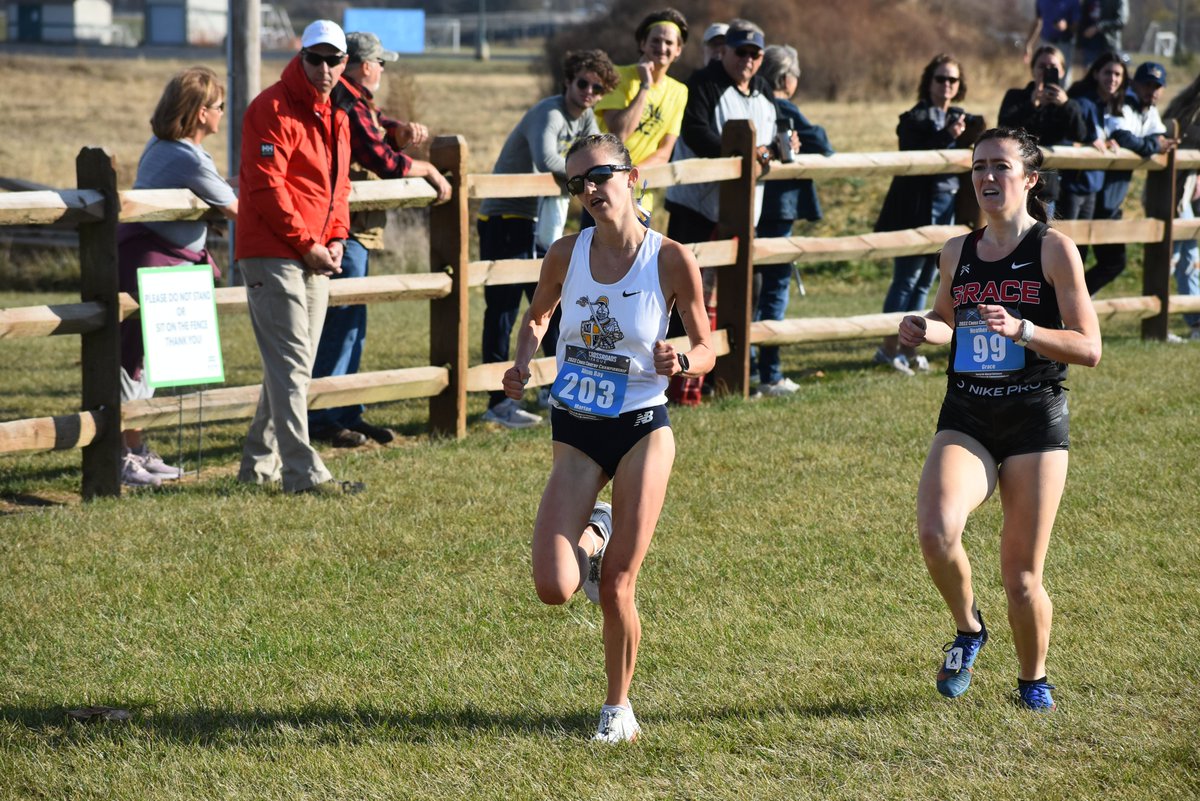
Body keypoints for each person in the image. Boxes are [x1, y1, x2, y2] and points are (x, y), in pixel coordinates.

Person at [500, 133, 714, 742]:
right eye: (578, 183)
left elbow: (708, 343)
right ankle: (599, 526)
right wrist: (522, 362)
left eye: (599, 176)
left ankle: (617, 710)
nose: (590, 191)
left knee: (620, 579)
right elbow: (538, 315)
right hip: (577, 424)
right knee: (554, 586)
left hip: (643, 425)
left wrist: (687, 361)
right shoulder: (566, 253)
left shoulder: (669, 258)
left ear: (632, 176)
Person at [898, 126, 1102, 712]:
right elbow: (947, 320)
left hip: (1035, 421)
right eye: (979, 166)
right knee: (936, 532)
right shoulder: (957, 252)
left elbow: (1090, 348)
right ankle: (968, 629)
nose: (988, 177)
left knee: (1021, 579)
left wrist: (1024, 329)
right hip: (967, 415)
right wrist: (923, 330)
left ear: (1029, 179)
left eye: (1001, 167)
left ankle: (1033, 680)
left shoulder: (1054, 249)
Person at [307, 31, 452, 449]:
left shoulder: (353, 100)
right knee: (341, 324)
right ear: (368, 65)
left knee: (352, 325)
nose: (383, 71)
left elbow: (377, 127)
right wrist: (424, 169)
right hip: (344, 230)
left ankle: (346, 410)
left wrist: (398, 129)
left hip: (355, 230)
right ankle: (325, 415)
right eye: (381, 64)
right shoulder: (347, 99)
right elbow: (382, 161)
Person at [235, 20, 362, 495]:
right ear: (301, 56)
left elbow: (339, 188)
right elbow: (267, 186)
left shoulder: (339, 113)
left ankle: (256, 466)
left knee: (293, 367)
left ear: (344, 62)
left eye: (334, 60)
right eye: (316, 59)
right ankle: (304, 474)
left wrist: (336, 239)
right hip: (272, 251)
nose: (325, 68)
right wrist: (307, 243)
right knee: (290, 364)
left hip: (315, 252)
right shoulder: (269, 108)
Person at [477, 49, 619, 429]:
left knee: (548, 306)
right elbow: (545, 159)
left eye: (597, 87)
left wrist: (593, 175)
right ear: (568, 81)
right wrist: (590, 177)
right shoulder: (550, 113)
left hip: (540, 220)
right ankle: (497, 401)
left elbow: (593, 152)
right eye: (583, 83)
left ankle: (550, 386)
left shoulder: (585, 117)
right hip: (506, 216)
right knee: (504, 311)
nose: (589, 92)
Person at [117, 66, 238, 488]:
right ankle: (121, 455)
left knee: (147, 364)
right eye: (219, 106)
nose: (223, 112)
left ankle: (135, 448)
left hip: (165, 260)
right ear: (201, 112)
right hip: (153, 261)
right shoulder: (185, 154)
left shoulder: (171, 147)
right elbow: (236, 206)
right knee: (133, 362)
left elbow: (216, 191)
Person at [664, 19, 786, 403]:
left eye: (754, 54)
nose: (747, 60)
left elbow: (778, 134)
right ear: (726, 52)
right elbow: (695, 132)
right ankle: (677, 386)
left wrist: (774, 148)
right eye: (740, 52)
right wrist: (744, 155)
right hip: (697, 210)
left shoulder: (764, 90)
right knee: (686, 298)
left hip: (743, 213)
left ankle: (725, 379)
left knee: (739, 298)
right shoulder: (704, 83)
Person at [874, 54, 983, 376]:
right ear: (929, 81)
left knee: (927, 281)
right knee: (905, 280)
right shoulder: (914, 117)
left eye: (953, 80)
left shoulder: (965, 117)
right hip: (915, 209)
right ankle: (888, 348)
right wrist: (948, 134)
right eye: (940, 79)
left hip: (950, 207)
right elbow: (913, 153)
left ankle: (909, 348)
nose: (947, 85)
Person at [752, 44, 833, 397]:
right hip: (777, 210)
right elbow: (822, 141)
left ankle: (753, 365)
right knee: (774, 291)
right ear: (786, 78)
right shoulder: (782, 107)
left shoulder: (754, 103)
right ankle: (769, 372)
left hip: (754, 209)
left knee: (754, 290)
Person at [1084, 60, 1176, 295]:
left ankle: (1071, 305)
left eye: (1157, 86)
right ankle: (1069, 305)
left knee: (1113, 261)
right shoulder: (1122, 102)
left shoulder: (1150, 111)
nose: (1151, 91)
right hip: (1092, 192)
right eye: (1146, 84)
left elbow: (1159, 138)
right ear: (1134, 83)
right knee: (1087, 258)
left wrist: (1153, 144)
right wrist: (1153, 146)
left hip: (1111, 200)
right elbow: (1123, 138)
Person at [998, 45, 1089, 219]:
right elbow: (1003, 129)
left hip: (1048, 187)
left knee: (1039, 238)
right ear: (1032, 69)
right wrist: (1031, 105)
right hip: (1014, 182)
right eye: (1041, 66)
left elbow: (1080, 134)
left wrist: (1066, 106)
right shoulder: (1016, 96)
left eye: (1053, 67)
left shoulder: (1068, 104)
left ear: (1062, 71)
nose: (1046, 71)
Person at [594, 9, 689, 170]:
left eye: (669, 42)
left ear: (678, 50)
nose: (662, 47)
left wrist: (631, 176)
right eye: (655, 40)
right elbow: (618, 135)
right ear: (643, 44)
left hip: (641, 185)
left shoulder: (679, 91)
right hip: (603, 177)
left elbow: (664, 152)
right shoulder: (617, 75)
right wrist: (645, 85)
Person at [1160, 73, 1200, 340]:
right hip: (1173, 193)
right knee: (1173, 256)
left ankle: (1195, 320)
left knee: (1187, 255)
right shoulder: (1189, 112)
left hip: (1184, 193)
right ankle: (1160, 324)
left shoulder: (1185, 106)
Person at [1025, 0, 1081, 82]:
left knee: (1062, 78)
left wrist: (1066, 26)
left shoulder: (1073, 2)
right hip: (1045, 42)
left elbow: (1077, 25)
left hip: (1064, 44)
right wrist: (1028, 44)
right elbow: (1038, 21)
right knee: (1040, 75)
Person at [1077, 0, 1128, 68]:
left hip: (1109, 44)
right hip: (1089, 44)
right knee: (1090, 73)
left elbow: (1121, 21)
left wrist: (1098, 27)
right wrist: (1079, 43)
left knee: (1109, 72)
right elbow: (1082, 18)